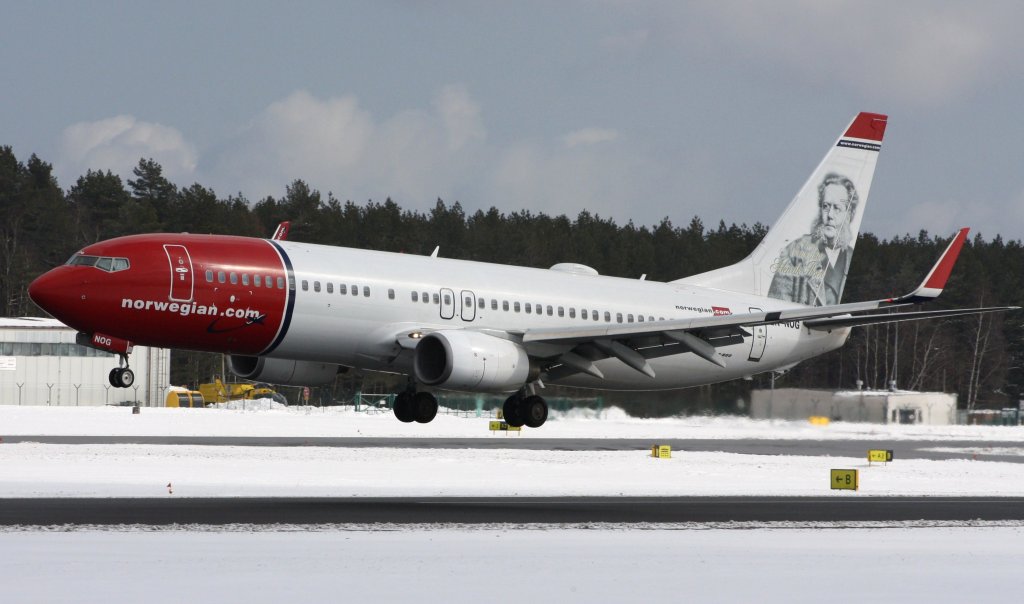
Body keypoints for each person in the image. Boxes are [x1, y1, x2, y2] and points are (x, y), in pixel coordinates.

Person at [768, 173, 858, 306]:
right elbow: (776, 304)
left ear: (849, 214)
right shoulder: (794, 252)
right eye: (826, 206)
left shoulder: (851, 257)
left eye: (837, 208)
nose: (830, 215)